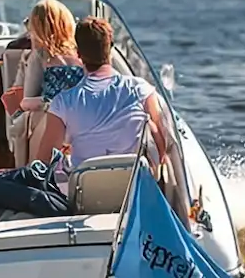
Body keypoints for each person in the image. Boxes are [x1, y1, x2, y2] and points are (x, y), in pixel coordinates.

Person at [32, 17, 168, 167]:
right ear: (110, 48)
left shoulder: (63, 102)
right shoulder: (141, 90)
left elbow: (43, 161)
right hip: (132, 177)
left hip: (85, 179)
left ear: (78, 54)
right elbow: (160, 151)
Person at [1, 0, 84, 116]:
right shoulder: (81, 54)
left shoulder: (40, 56)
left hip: (48, 121)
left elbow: (26, 101)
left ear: (35, 28)